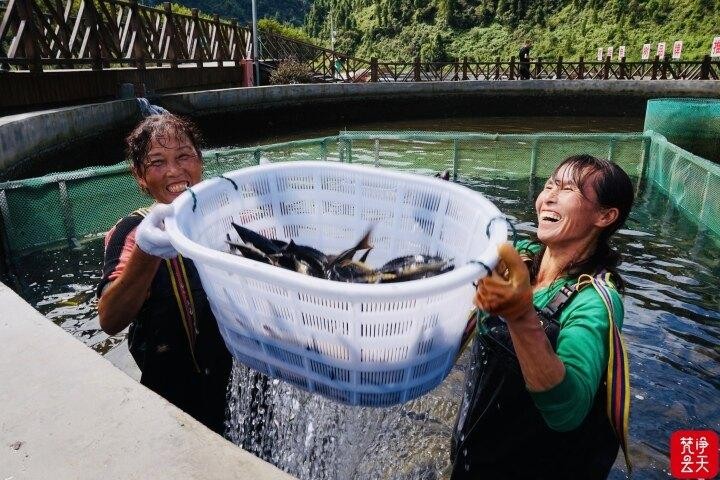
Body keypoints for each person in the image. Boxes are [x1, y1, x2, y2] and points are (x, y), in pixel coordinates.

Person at [451, 154, 634, 479]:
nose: (548, 196)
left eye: (567, 190)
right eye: (549, 185)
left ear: (605, 215)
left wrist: (521, 316)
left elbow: (568, 410)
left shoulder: (594, 301)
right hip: (475, 452)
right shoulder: (519, 255)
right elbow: (450, 255)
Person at [97, 114, 232, 434]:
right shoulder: (130, 232)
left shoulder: (229, 216)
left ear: (200, 161)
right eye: (157, 162)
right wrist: (147, 250)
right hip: (173, 394)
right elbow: (109, 319)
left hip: (237, 379)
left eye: (184, 156)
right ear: (140, 176)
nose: (174, 171)